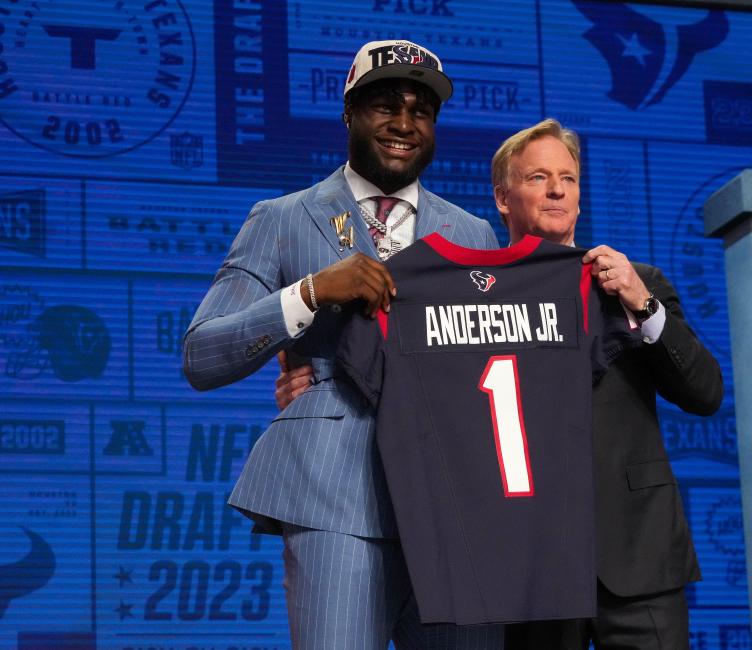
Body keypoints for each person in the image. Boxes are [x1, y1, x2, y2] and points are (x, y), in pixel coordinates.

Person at [276, 119, 724, 649]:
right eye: (538, 177)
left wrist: (642, 307)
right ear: (502, 198)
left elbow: (705, 392)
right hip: (526, 561)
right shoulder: (461, 295)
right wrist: (318, 377)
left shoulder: (634, 282)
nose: (557, 188)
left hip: (636, 558)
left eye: (568, 177)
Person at [183, 40, 503, 649]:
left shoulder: (472, 232)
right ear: (349, 113)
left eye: (421, 111)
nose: (405, 124)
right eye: (386, 105)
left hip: (456, 500)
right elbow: (201, 356)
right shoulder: (282, 217)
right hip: (334, 492)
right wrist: (308, 294)